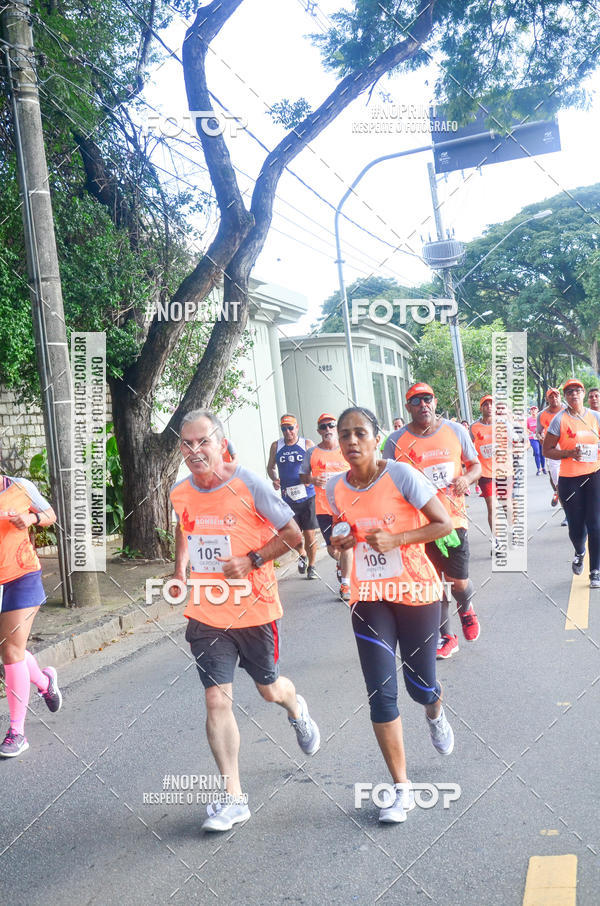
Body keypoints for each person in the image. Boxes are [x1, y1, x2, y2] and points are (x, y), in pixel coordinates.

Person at [169, 410, 320, 832]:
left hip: (254, 610)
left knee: (269, 689)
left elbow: (291, 534)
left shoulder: (248, 483)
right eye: (186, 443)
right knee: (217, 699)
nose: (195, 450)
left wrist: (252, 559)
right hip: (206, 611)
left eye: (203, 442)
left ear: (221, 443)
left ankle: (296, 707)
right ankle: (234, 797)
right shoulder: (180, 492)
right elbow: (186, 527)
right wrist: (180, 570)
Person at [328, 406, 455, 824]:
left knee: (420, 686)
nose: (350, 441)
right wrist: (339, 544)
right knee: (380, 692)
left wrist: (398, 537)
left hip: (416, 592)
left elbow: (443, 522)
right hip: (369, 599)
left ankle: (434, 711)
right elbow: (339, 537)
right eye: (343, 434)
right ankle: (401, 789)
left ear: (376, 437)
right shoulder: (333, 488)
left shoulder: (400, 475)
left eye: (359, 433)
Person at [384, 383, 482, 660]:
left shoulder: (456, 431)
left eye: (427, 399)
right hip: (418, 524)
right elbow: (387, 480)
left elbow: (476, 465)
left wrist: (466, 478)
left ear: (435, 402)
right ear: (408, 407)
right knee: (433, 584)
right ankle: (447, 637)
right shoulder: (395, 441)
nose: (422, 405)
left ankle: (466, 607)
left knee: (457, 582)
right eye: (416, 401)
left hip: (452, 520)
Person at [0, 474, 62, 757]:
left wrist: (31, 520)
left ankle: (17, 732)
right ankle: (45, 681)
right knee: (12, 649)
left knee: (11, 651)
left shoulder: (21, 487)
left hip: (21, 576)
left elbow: (49, 514)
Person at [543, 379, 600, 587]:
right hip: (569, 479)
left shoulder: (595, 417)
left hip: (594, 475)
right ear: (565, 397)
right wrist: (569, 453)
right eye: (569, 392)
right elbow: (546, 450)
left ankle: (595, 571)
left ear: (583, 393)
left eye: (577, 391)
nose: (573, 394)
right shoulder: (559, 420)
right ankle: (579, 551)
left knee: (595, 523)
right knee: (576, 527)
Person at [299, 413, 353, 601]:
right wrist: (313, 479)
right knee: (333, 549)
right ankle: (343, 565)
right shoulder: (311, 453)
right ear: (318, 431)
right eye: (323, 427)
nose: (327, 430)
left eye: (331, 425)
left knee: (346, 545)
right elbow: (303, 477)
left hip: (346, 507)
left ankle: (346, 584)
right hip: (324, 508)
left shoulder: (346, 448)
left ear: (336, 428)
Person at [267, 415, 318, 579]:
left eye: (290, 428)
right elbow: (270, 467)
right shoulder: (276, 446)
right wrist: (274, 479)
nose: (287, 431)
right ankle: (302, 553)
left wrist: (312, 479)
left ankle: (312, 566)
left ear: (297, 428)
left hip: (307, 496)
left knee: (309, 534)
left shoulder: (307, 444)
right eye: (284, 428)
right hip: (288, 498)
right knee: (292, 534)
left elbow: (318, 464)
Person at [537, 388, 565, 518]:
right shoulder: (542, 415)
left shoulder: (567, 409)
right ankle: (567, 513)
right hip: (553, 452)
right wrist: (540, 437)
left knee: (572, 481)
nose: (554, 399)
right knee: (559, 484)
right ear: (547, 399)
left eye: (556, 396)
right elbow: (538, 431)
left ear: (560, 397)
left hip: (569, 450)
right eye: (551, 397)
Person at [527, 406, 546, 475]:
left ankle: (543, 467)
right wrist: (529, 431)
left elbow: (545, 426)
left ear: (537, 410)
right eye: (532, 410)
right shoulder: (528, 419)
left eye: (535, 409)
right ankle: (538, 469)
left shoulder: (541, 418)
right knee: (537, 452)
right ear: (530, 411)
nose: (533, 411)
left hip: (541, 437)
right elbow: (526, 428)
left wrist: (543, 432)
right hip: (533, 438)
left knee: (542, 453)